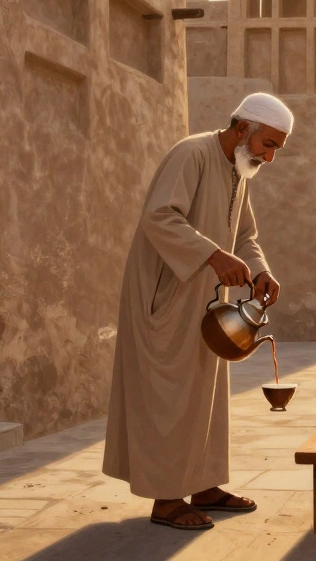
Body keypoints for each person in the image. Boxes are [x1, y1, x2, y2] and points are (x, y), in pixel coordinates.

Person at [102, 93, 293, 531]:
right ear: (244, 128)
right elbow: (159, 217)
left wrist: (261, 271)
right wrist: (212, 256)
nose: (271, 156)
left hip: (206, 299)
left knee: (205, 394)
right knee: (166, 397)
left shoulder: (238, 170)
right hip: (165, 295)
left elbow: (245, 234)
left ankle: (205, 484)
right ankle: (167, 498)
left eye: (277, 148)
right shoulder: (191, 153)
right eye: (269, 144)